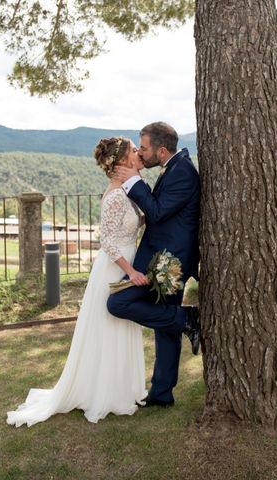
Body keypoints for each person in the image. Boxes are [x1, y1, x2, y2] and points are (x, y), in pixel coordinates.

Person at [7, 137, 148, 427]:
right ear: (121, 160)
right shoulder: (116, 195)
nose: (138, 152)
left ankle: (120, 388)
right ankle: (104, 393)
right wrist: (130, 272)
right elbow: (106, 241)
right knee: (110, 326)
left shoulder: (128, 189)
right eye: (134, 150)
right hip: (115, 267)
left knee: (122, 326)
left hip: (127, 260)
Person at [108, 121, 200, 408]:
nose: (141, 154)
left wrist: (134, 182)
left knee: (118, 303)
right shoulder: (174, 167)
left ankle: (187, 320)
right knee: (165, 327)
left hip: (170, 262)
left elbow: (158, 212)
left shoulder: (182, 172)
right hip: (160, 259)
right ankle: (161, 393)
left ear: (161, 150)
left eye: (144, 148)